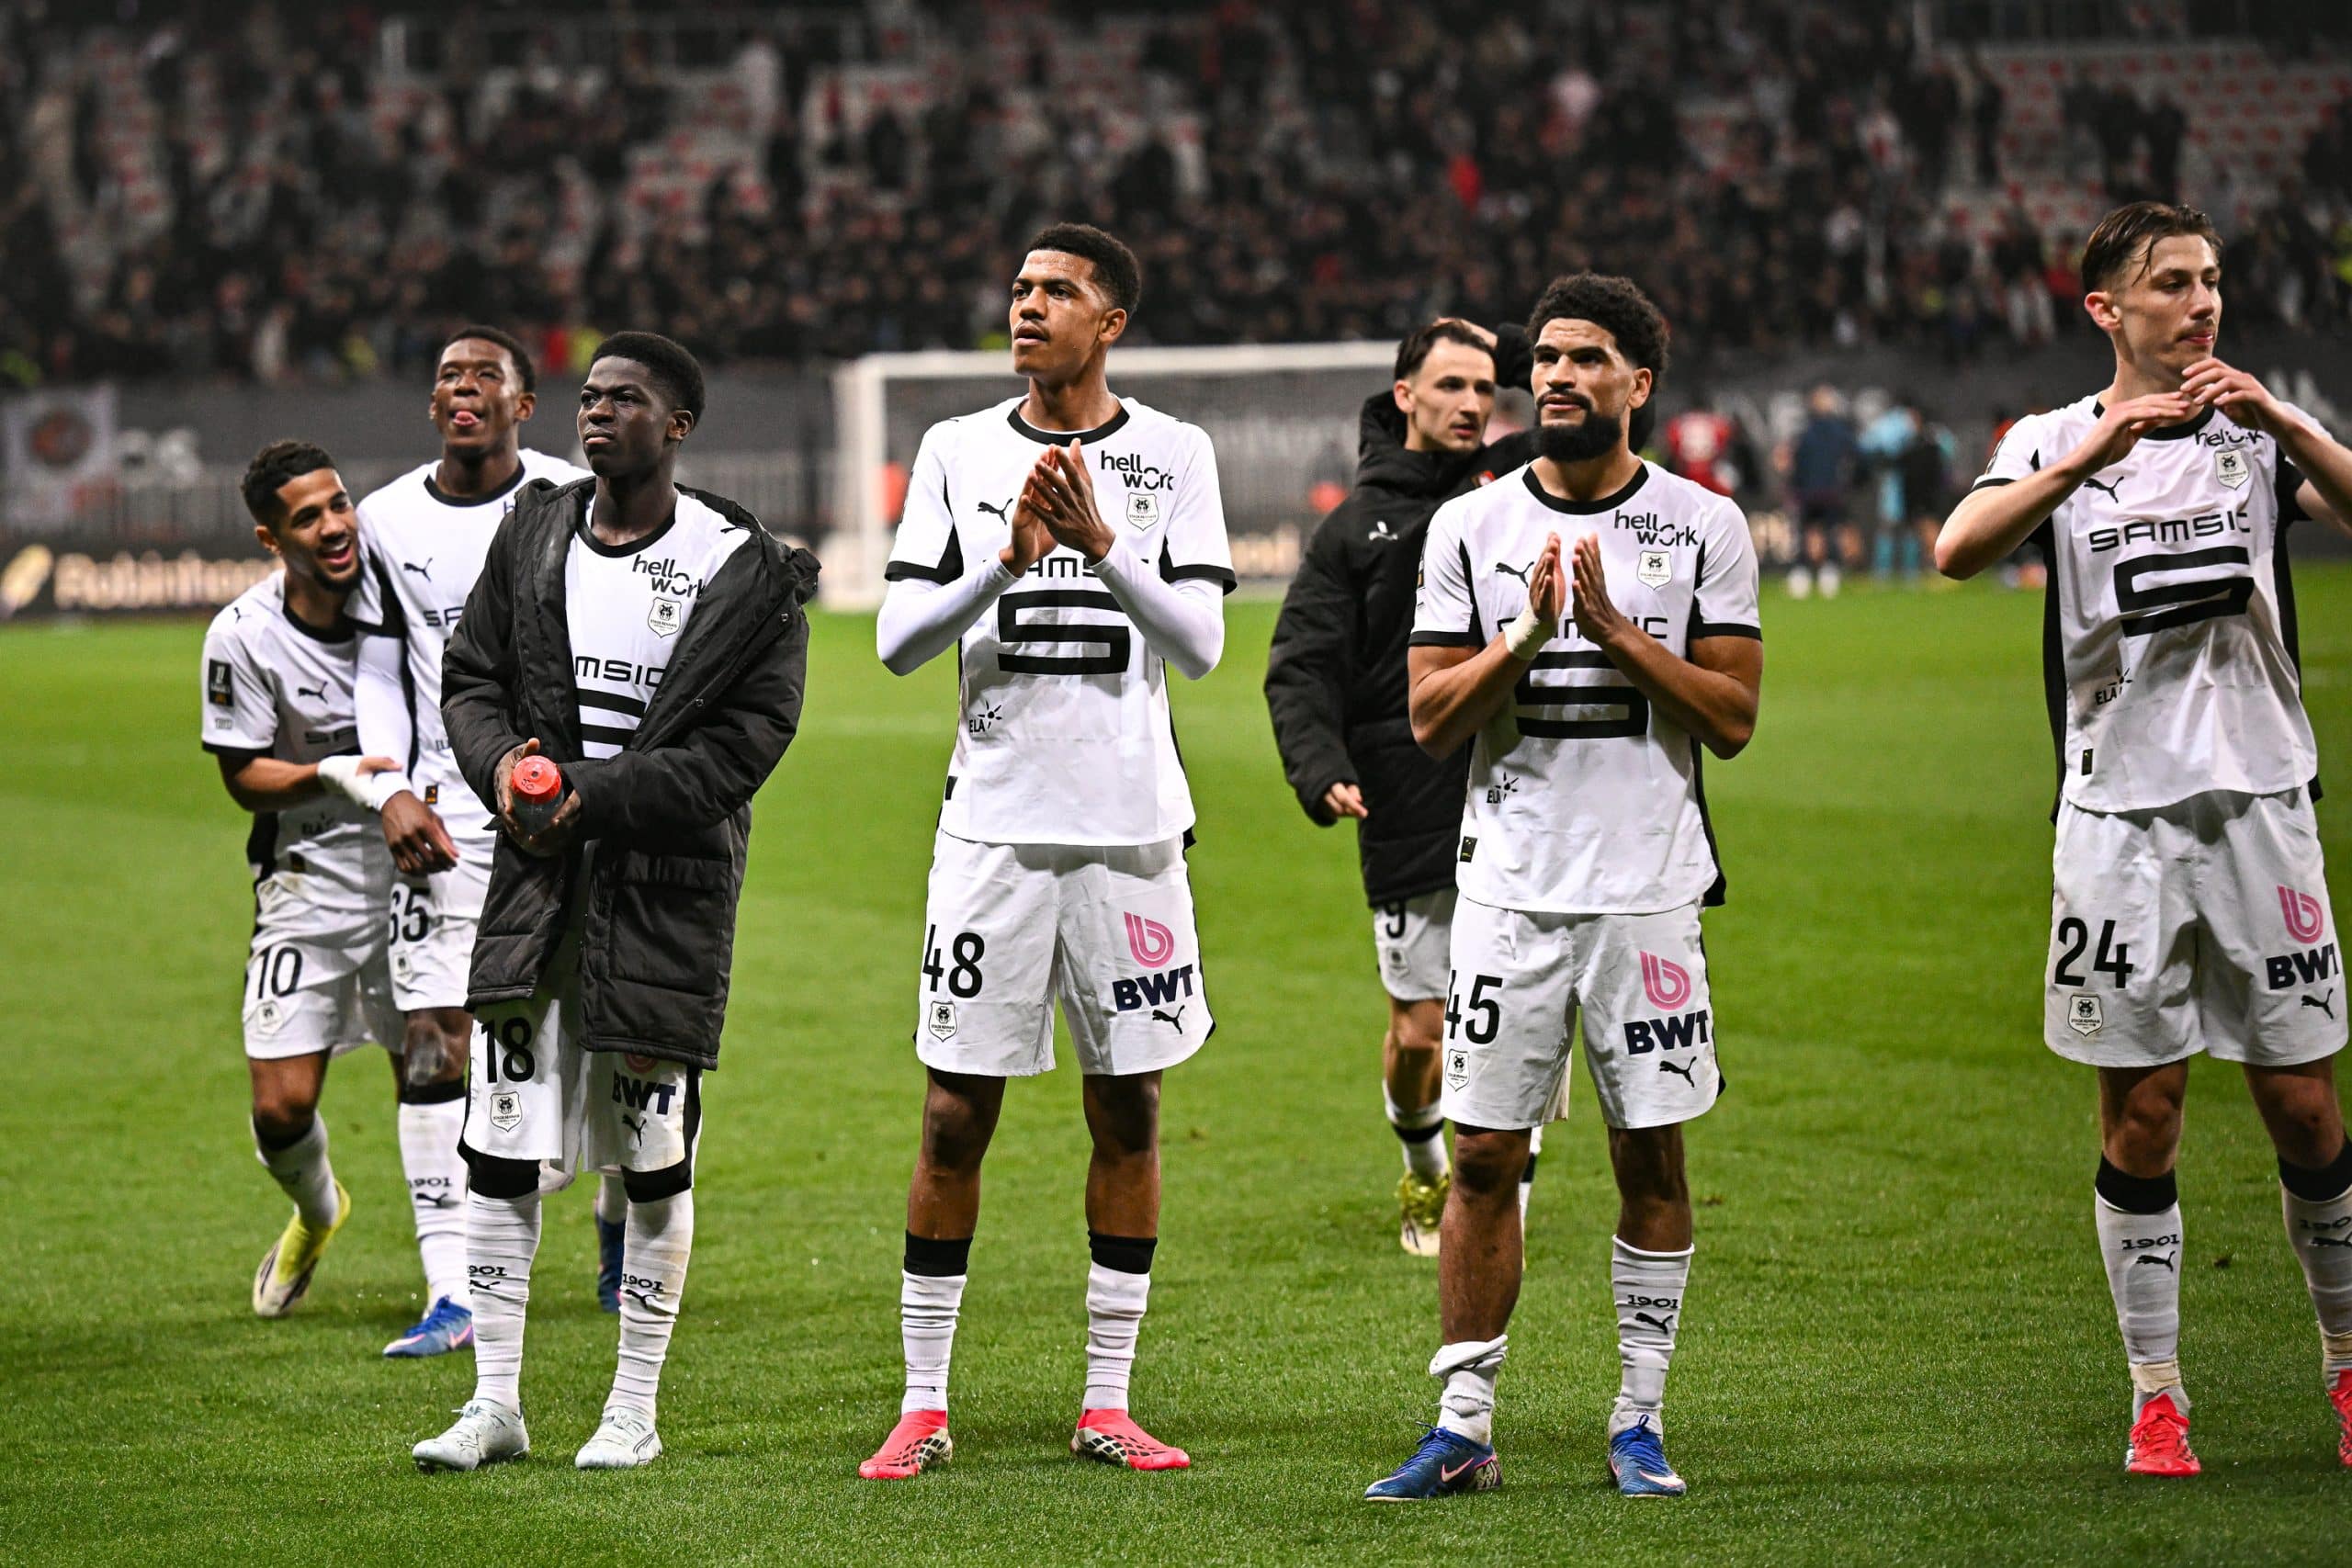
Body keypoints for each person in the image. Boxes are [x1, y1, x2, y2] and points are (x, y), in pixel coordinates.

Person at [1937, 202, 2352, 1475]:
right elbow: (1958, 549)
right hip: (2117, 820)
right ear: (2106, 309)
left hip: (2263, 806)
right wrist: (2091, 454)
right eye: (2172, 283)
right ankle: (2157, 1392)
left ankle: (2345, 1370)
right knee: (2146, 1110)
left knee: (2302, 1102)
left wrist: (2285, 421)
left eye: (2213, 280)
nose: (2203, 301)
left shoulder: (2256, 431)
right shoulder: (2055, 438)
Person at [1365, 272, 1762, 1503]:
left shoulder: (1705, 525)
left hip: (1647, 893)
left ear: (1639, 383)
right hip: (1508, 892)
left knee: (1652, 1146)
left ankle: (1639, 1419)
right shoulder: (1470, 528)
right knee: (1482, 1151)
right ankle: (1465, 1420)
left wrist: (1619, 632)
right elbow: (1430, 719)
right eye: (1544, 359)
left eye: (1586, 358)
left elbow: (1736, 715)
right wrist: (1528, 638)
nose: (1555, 379)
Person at [861, 223, 1232, 1480]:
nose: (1027, 305)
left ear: (1110, 319)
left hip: (1131, 835)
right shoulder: (957, 449)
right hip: (993, 831)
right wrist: (1002, 561)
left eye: (1057, 290)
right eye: (1018, 286)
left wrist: (1103, 549)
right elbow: (900, 639)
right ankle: (922, 1401)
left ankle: (1108, 1399)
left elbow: (1202, 645)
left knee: (1128, 1105)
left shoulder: (1175, 453)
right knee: (955, 1111)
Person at [410, 332, 819, 1472]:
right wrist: (499, 773)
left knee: (649, 1155)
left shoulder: (744, 566)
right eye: (588, 398)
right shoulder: (534, 530)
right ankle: (496, 1402)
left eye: (624, 400)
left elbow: (744, 747)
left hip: (661, 894)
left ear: (677, 426)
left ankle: (631, 1409)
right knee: (496, 1143)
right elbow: (473, 676)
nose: (596, 415)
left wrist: (582, 792)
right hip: (537, 884)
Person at [1266, 318, 1548, 1258]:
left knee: (1519, 999)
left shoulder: (1519, 482)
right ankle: (1426, 1165)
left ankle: (1503, 1169)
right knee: (1424, 1031)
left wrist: (1502, 347)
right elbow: (1301, 663)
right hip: (1403, 790)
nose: (1474, 403)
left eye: (1486, 386)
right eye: (1452, 385)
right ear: (1405, 398)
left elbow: (1603, 398)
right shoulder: (1357, 526)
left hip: (1517, 779)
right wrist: (1320, 766)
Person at [347, 326, 604, 1359]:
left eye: (482, 377)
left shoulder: (569, 498)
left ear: (521, 404)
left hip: (556, 808)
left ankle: (615, 1218)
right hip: (443, 820)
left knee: (591, 1032)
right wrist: (390, 789)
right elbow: (378, 671)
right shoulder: (388, 517)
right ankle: (449, 1287)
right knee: (432, 1042)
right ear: (433, 403)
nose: (462, 389)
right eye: (447, 376)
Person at [203, 440, 403, 1322]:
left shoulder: (403, 602)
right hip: (305, 880)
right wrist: (332, 773)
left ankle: (462, 1289)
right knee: (282, 1108)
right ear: (269, 538)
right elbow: (242, 771)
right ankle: (317, 1215)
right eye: (307, 516)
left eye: (339, 502)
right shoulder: (242, 635)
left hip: (416, 876)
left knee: (440, 1078)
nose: (334, 526)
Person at [1784, 383, 1858, 598]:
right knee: (1831, 532)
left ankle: (1801, 576)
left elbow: (1797, 464)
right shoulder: (1841, 432)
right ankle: (1829, 576)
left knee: (1806, 534)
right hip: (1832, 492)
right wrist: (1850, 483)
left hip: (1808, 493)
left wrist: (1796, 487)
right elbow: (1858, 458)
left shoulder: (1805, 433)